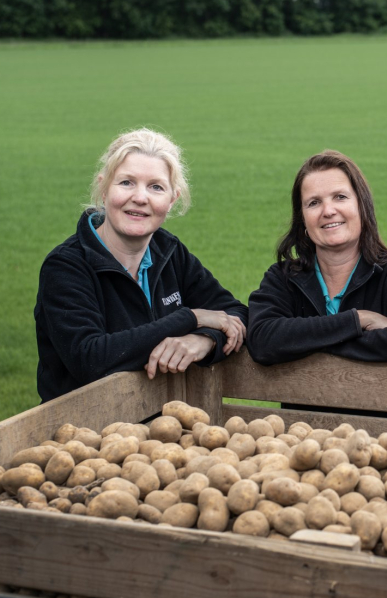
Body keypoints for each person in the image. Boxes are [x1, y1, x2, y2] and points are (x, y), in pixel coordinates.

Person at [35, 129, 247, 402]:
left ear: (172, 199)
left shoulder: (168, 251)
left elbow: (237, 313)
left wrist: (203, 340)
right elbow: (90, 359)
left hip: (160, 429)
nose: (140, 197)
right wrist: (191, 318)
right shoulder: (66, 266)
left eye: (156, 187)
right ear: (103, 188)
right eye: (126, 182)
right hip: (85, 436)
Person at [246, 150, 387, 366]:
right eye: (314, 203)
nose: (328, 211)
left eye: (340, 197)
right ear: (302, 220)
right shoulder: (283, 279)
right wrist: (359, 320)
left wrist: (307, 341)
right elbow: (262, 340)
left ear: (361, 206)